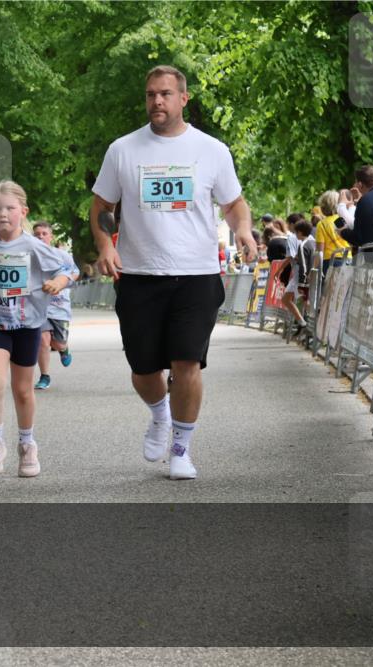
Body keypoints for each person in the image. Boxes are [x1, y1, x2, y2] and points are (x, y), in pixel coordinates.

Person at [90, 65, 255, 481]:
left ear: (184, 98)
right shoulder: (123, 150)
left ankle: (181, 448)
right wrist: (107, 244)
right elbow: (102, 209)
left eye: (165, 94)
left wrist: (243, 230)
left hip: (197, 275)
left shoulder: (212, 150)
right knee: (144, 370)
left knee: (187, 363)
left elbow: (234, 204)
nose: (156, 101)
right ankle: (159, 412)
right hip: (140, 275)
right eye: (150, 95)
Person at [0, 181, 76, 478]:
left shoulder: (35, 247)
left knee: (23, 390)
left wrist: (58, 283)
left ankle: (27, 444)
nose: (3, 214)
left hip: (27, 324)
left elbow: (69, 270)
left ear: (23, 212)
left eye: (10, 208)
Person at [31, 221, 79, 390]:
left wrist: (62, 283)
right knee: (42, 340)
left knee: (57, 343)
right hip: (39, 307)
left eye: (44, 233)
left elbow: (75, 272)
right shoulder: (29, 256)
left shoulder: (62, 255)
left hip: (59, 307)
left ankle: (64, 349)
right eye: (37, 234)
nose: (41, 237)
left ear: (51, 237)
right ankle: (45, 376)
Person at [277, 219, 314, 335]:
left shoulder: (303, 245)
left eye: (296, 232)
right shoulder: (312, 242)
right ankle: (304, 323)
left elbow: (303, 264)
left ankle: (306, 324)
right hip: (307, 276)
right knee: (301, 300)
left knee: (302, 300)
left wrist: (302, 283)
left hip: (301, 277)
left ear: (300, 232)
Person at [314, 190, 351, 274]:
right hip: (348, 259)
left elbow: (319, 252)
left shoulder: (322, 224)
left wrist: (314, 269)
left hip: (330, 262)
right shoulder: (344, 219)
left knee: (330, 287)